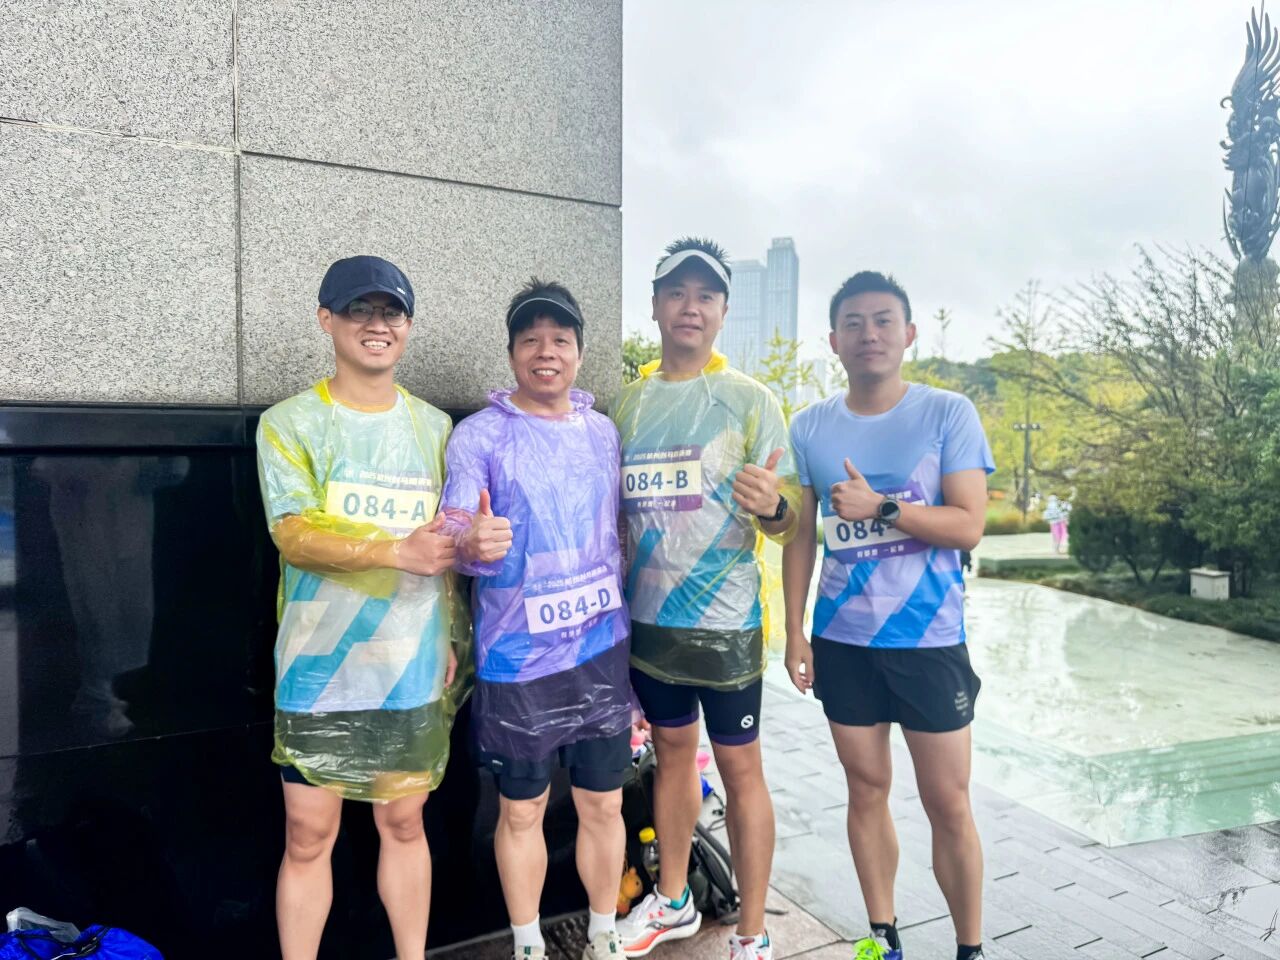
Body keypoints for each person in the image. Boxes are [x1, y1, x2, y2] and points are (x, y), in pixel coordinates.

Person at [256, 255, 469, 960]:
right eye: (360, 310)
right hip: (319, 664)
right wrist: (395, 551)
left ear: (407, 326)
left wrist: (450, 633)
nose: (378, 325)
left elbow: (444, 542)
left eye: (391, 312)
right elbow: (293, 534)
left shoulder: (436, 429)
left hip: (409, 663)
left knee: (404, 824)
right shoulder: (289, 423)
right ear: (327, 320)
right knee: (307, 834)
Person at [782, 271, 995, 960]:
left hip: (929, 641)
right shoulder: (810, 427)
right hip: (843, 641)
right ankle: (883, 937)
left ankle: (969, 947)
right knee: (866, 788)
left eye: (882, 321)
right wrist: (794, 631)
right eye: (853, 323)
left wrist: (882, 507)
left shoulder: (947, 413)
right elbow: (801, 537)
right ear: (833, 340)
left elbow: (968, 525)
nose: (868, 334)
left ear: (908, 334)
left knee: (947, 801)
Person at [613, 238, 799, 960]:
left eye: (706, 296)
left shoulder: (752, 401)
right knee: (670, 756)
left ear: (723, 311)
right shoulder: (629, 404)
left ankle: (752, 933)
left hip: (725, 626)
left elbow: (789, 524)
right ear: (656, 306)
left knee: (741, 770)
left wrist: (773, 506)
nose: (690, 307)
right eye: (677, 293)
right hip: (649, 621)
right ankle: (673, 900)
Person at [439, 279, 633, 960]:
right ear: (512, 353)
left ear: (579, 352)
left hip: (601, 646)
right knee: (521, 809)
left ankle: (604, 935)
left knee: (604, 803)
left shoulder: (603, 431)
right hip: (518, 658)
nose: (545, 351)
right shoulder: (480, 435)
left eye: (560, 339)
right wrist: (469, 541)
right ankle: (528, 944)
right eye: (530, 340)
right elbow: (453, 526)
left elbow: (618, 530)